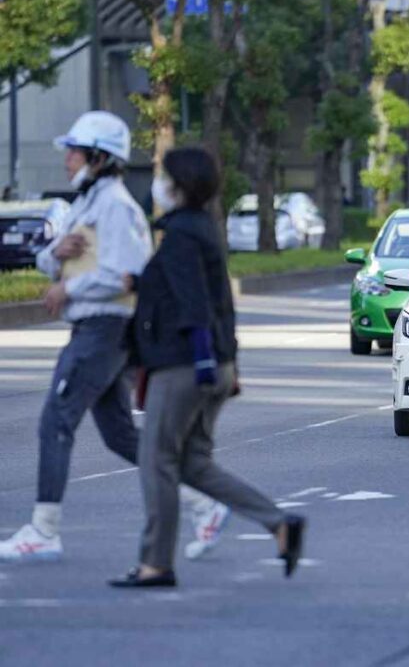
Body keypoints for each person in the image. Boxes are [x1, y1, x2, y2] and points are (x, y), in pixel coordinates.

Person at [0, 112, 230, 564]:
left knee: (56, 419)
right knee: (121, 436)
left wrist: (71, 287)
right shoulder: (87, 203)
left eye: (75, 152)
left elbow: (128, 274)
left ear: (100, 158)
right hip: (93, 328)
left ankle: (44, 529)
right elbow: (54, 261)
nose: (67, 160)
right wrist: (55, 255)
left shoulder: (117, 207)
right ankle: (204, 502)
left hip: (106, 330)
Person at [109, 147, 305, 588]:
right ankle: (279, 523)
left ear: (179, 185)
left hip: (185, 366)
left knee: (156, 458)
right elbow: (203, 296)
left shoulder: (180, 235)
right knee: (193, 462)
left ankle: (155, 562)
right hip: (214, 363)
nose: (158, 183)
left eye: (163, 176)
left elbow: (195, 306)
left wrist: (200, 362)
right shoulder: (204, 229)